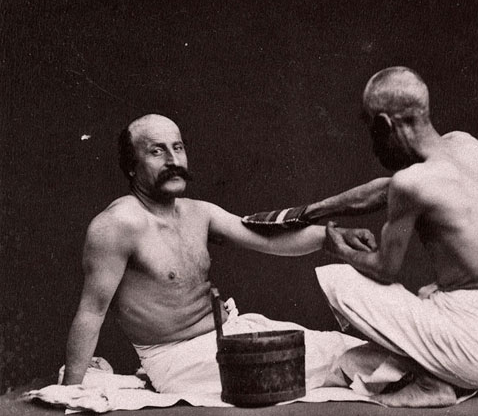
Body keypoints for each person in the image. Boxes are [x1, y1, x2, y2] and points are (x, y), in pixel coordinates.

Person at [244, 67, 478, 407]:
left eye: (371, 130)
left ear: (383, 125)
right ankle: (467, 373)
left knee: (342, 282)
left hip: (472, 344)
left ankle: (434, 383)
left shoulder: (413, 184)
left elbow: (384, 269)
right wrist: (311, 211)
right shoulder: (466, 146)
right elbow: (383, 189)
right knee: (352, 362)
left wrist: (337, 248)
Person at [62, 113, 374, 396]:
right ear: (131, 166)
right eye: (157, 151)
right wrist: (70, 392)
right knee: (350, 362)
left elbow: (268, 239)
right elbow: (92, 312)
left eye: (178, 148)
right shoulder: (117, 225)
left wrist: (330, 238)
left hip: (230, 335)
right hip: (178, 361)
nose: (173, 160)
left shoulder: (199, 212)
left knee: (351, 348)